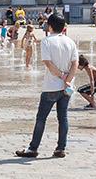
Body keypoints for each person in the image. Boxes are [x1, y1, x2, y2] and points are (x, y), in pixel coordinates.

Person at [15, 13, 78, 158]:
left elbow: (48, 64)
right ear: (63, 27)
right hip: (66, 87)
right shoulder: (70, 42)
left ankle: (33, 148)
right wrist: (68, 79)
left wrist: (62, 76)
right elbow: (75, 64)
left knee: (41, 118)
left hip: (51, 86)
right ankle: (60, 148)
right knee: (63, 118)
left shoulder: (47, 41)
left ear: (49, 26)